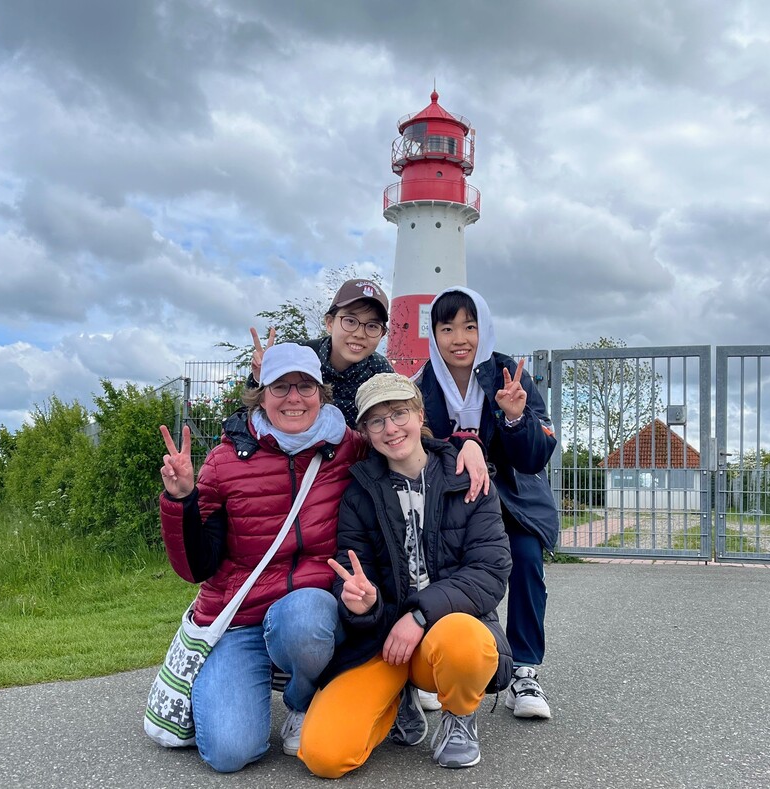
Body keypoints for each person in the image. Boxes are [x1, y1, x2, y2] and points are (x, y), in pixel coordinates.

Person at [157, 345, 491, 772]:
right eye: (280, 387)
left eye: (305, 386)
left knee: (306, 617)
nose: (294, 398)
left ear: (321, 392)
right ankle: (281, 682)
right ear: (261, 394)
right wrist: (181, 500)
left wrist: (467, 444)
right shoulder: (225, 460)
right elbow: (195, 567)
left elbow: (405, 442)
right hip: (243, 617)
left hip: (311, 611)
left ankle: (301, 700)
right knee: (229, 753)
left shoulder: (348, 446)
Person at [299, 373, 512, 776]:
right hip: (383, 643)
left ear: (419, 415)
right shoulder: (358, 492)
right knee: (325, 755)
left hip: (446, 632)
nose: (391, 428)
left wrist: (419, 615)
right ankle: (397, 699)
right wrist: (363, 604)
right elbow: (353, 572)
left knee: (465, 642)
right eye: (376, 421)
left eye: (399, 413)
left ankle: (459, 715)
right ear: (365, 431)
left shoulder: (470, 478)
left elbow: (490, 571)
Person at [413, 286, 559, 720]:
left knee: (526, 557)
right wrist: (465, 444)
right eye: (447, 328)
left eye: (470, 326)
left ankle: (524, 670)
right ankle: (435, 664)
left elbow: (534, 457)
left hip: (512, 500)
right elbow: (416, 444)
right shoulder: (422, 384)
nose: (459, 338)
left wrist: (514, 418)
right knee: (436, 567)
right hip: (447, 502)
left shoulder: (509, 375)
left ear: (485, 329)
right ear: (433, 335)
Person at [249, 279, 394, 427]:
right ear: (329, 323)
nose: (360, 334)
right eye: (350, 321)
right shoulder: (297, 353)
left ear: (382, 334)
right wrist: (260, 379)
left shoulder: (381, 371)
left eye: (372, 326)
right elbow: (250, 412)